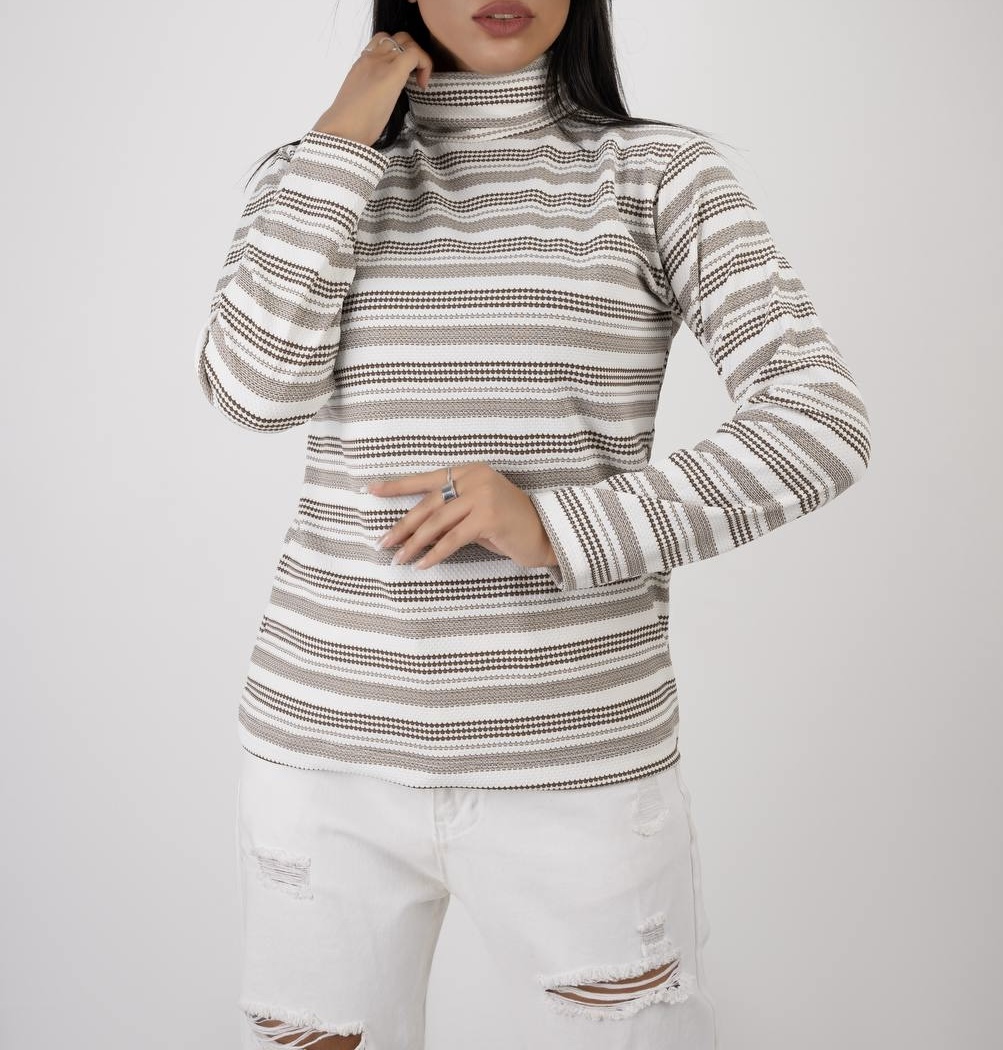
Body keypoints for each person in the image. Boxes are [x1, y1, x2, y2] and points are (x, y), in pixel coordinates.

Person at [195, 1, 871, 1046]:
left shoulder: (659, 177)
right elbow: (254, 391)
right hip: (323, 758)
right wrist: (340, 140)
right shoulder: (319, 174)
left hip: (578, 766)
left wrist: (557, 524)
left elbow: (817, 420)